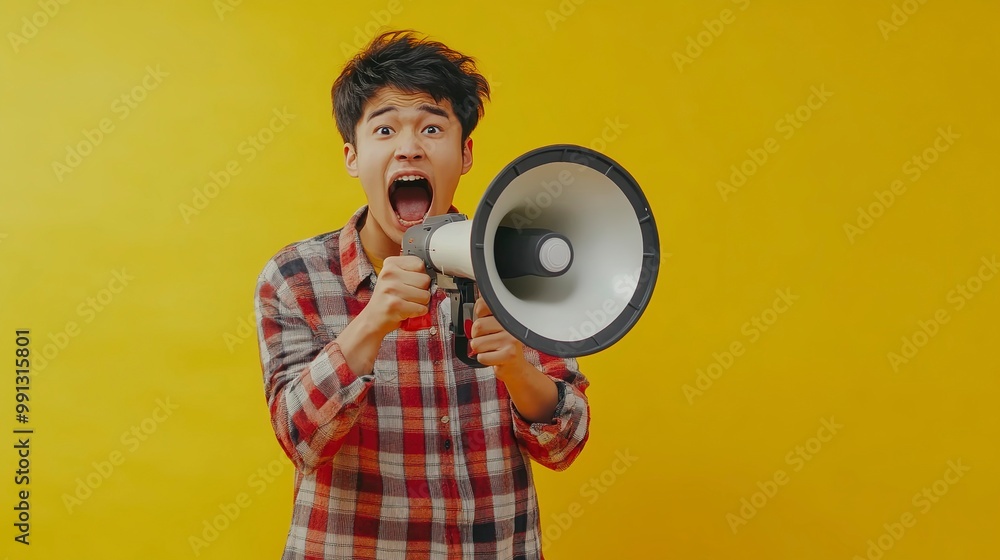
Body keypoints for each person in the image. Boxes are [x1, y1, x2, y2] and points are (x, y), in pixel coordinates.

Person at [254, 30, 590, 560]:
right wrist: (370, 324)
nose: (409, 147)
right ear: (352, 156)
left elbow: (564, 445)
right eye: (385, 129)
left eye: (432, 128)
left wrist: (517, 368)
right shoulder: (296, 277)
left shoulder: (517, 263)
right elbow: (300, 441)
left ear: (466, 152)